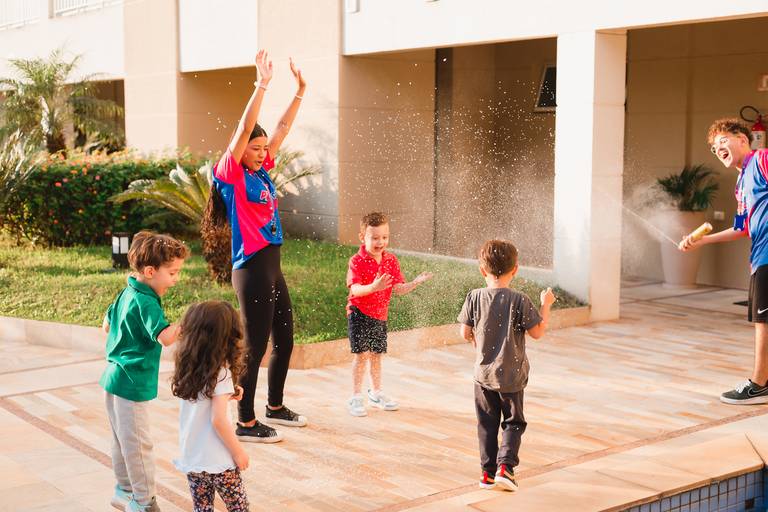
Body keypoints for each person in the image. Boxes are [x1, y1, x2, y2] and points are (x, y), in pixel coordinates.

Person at [201, 50, 308, 442]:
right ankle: (244, 421)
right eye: (255, 148)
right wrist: (261, 85)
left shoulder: (261, 170)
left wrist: (300, 91)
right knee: (256, 344)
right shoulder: (229, 173)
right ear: (241, 149)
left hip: (272, 265)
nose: (263, 153)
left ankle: (274, 406)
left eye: (264, 149)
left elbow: (279, 128)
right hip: (251, 267)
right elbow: (245, 129)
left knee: (286, 337)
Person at [680, 118, 768, 405]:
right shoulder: (740, 184)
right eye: (714, 148)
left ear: (743, 140)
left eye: (723, 141)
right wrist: (702, 240)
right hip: (758, 257)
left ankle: (759, 383)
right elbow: (741, 228)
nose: (719, 149)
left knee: (763, 321)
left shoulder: (763, 160)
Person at [100, 231, 190, 511]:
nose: (176, 279)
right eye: (173, 273)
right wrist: (188, 322)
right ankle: (144, 501)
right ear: (150, 271)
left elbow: (105, 325)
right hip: (131, 383)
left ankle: (124, 490)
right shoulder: (147, 301)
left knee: (121, 441)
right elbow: (165, 337)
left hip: (113, 379)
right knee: (139, 446)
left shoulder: (127, 291)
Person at [458, 239, 555, 492]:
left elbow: (464, 332)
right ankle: (506, 468)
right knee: (513, 422)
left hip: (483, 376)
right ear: (516, 269)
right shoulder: (520, 300)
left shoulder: (474, 297)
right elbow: (537, 332)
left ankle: (487, 474)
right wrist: (546, 304)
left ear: (482, 270)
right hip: (511, 377)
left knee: (486, 424)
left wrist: (475, 341)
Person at [345, 212, 433, 417]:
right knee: (361, 355)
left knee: (376, 355)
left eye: (384, 237)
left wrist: (415, 283)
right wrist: (374, 287)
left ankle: (376, 393)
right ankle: (356, 396)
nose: (380, 242)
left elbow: (398, 288)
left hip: (379, 315)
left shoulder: (390, 261)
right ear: (362, 237)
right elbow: (355, 290)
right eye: (375, 237)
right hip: (358, 312)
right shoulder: (356, 261)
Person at [171, 301, 250, 512]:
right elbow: (218, 419)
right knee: (238, 507)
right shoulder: (221, 373)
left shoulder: (189, 369)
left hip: (193, 457)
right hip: (219, 461)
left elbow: (203, 403)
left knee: (203, 508)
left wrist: (229, 394)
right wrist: (238, 452)